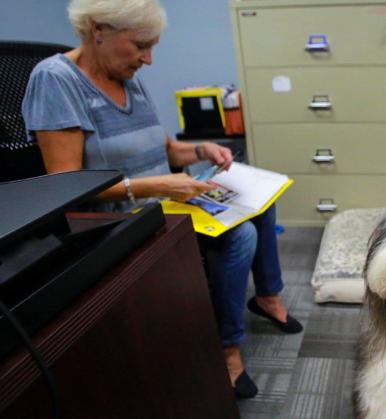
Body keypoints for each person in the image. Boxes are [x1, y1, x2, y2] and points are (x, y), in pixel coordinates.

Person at [21, 0, 302, 399]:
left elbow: (164, 148)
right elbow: (66, 185)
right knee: (241, 237)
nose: (148, 59)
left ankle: (268, 297)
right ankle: (227, 350)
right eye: (140, 46)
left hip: (164, 202)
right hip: (115, 220)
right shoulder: (55, 79)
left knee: (259, 203)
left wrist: (201, 150)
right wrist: (160, 186)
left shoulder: (128, 76)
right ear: (98, 30)